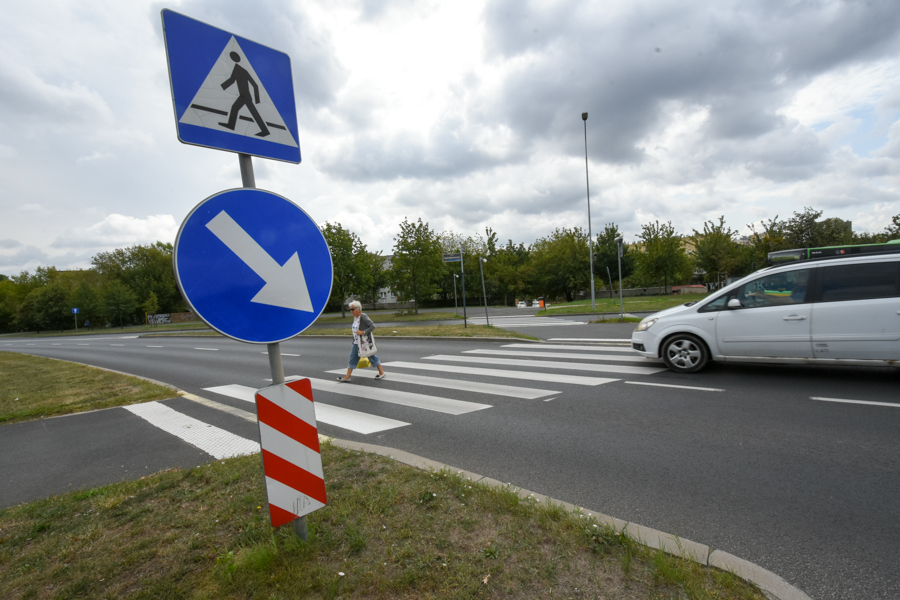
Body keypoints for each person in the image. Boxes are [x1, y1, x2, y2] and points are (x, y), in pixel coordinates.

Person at [337, 301, 386, 382]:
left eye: (352, 309)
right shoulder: (355, 318)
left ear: (358, 309)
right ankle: (348, 376)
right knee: (352, 358)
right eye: (350, 309)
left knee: (371, 356)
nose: (351, 311)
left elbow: (372, 326)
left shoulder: (363, 316)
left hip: (363, 342)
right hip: (356, 342)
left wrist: (363, 332)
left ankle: (381, 372)